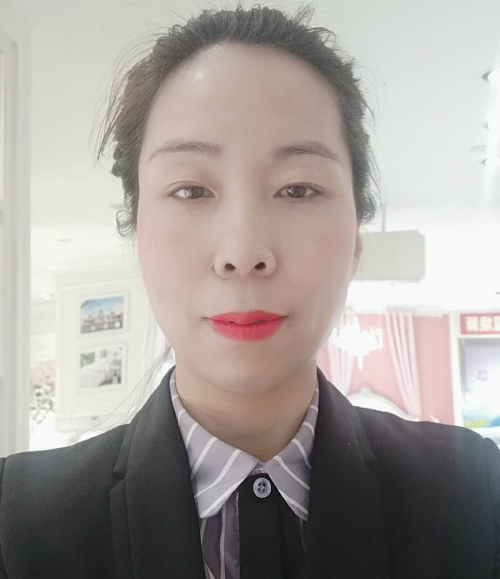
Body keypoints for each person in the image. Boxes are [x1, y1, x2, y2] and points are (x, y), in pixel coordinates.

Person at [0, 4, 499, 578]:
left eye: (298, 189)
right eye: (190, 190)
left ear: (356, 239)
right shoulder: (21, 523)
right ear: (138, 234)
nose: (242, 251)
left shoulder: (471, 496)